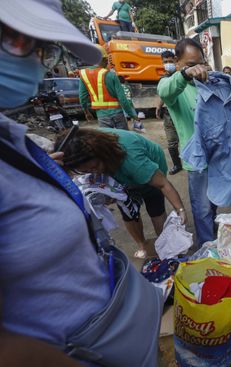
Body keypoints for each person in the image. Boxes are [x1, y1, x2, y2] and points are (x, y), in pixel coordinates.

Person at [0, 1, 160, 364]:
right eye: (20, 41)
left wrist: (40, 174)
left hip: (105, 331)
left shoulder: (13, 139)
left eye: (46, 49)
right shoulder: (110, 81)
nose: (37, 62)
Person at [58, 127, 188, 259]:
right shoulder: (83, 145)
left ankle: (168, 246)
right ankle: (143, 245)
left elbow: (163, 184)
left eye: (94, 167)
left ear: (104, 155)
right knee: (128, 211)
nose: (94, 172)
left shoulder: (132, 161)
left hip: (147, 163)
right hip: (119, 167)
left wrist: (180, 210)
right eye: (86, 171)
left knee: (155, 207)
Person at [157, 38, 217, 246]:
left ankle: (212, 237)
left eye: (200, 63)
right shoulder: (175, 86)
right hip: (197, 160)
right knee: (202, 209)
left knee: (214, 202)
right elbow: (164, 91)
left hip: (217, 155)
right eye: (191, 64)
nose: (197, 69)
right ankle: (207, 249)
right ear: (177, 61)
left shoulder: (206, 82)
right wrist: (184, 74)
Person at [79, 45, 139, 129]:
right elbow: (122, 99)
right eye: (106, 60)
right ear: (103, 59)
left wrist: (86, 112)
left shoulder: (84, 75)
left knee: (109, 140)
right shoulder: (111, 75)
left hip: (102, 116)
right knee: (123, 139)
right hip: (118, 114)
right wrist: (132, 115)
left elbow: (82, 98)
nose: (107, 62)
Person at [156, 50, 182, 175]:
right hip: (168, 113)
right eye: (165, 62)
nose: (168, 64)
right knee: (171, 141)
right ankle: (177, 165)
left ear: (176, 60)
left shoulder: (182, 76)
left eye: (170, 61)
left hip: (181, 111)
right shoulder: (163, 79)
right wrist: (159, 106)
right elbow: (163, 94)